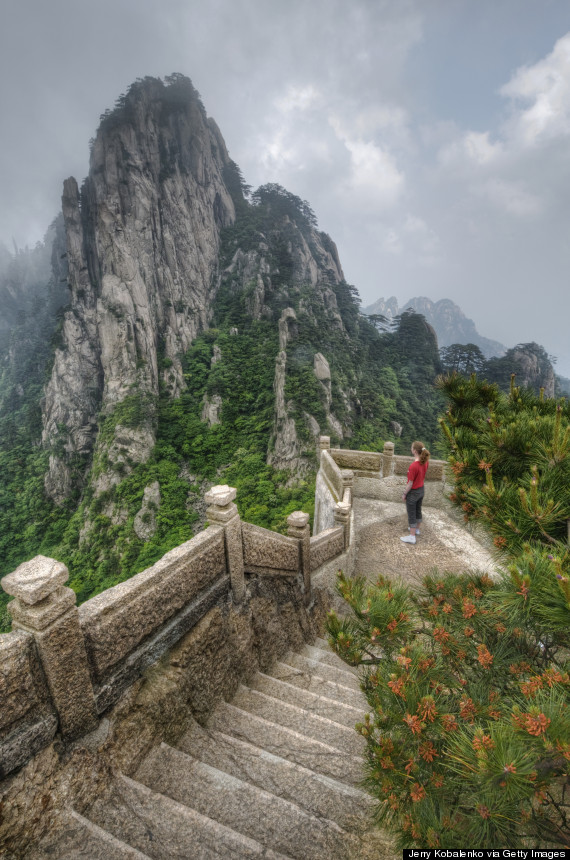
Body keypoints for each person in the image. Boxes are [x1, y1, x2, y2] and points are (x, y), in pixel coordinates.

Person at [400, 441, 430, 545]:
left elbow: (410, 483)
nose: (411, 449)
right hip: (421, 490)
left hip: (413, 493)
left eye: (411, 447)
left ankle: (412, 537)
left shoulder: (413, 466)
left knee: (411, 514)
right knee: (418, 510)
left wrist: (404, 494)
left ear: (414, 451)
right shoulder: (425, 462)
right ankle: (417, 529)